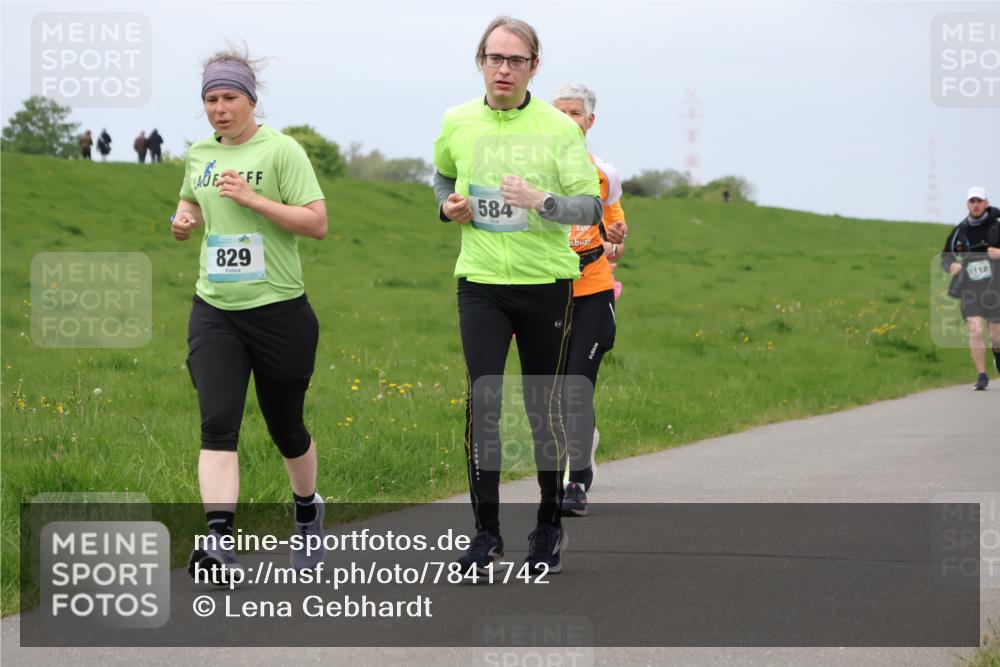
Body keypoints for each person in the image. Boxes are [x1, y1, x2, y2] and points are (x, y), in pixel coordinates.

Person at [433, 16, 602, 575]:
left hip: (545, 284)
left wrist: (541, 201)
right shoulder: (457, 121)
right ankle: (486, 536)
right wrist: (447, 205)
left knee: (540, 408)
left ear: (534, 67)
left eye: (516, 60)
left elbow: (590, 207)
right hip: (480, 283)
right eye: (494, 58)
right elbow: (442, 177)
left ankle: (548, 526)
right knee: (484, 402)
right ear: (480, 62)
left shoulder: (558, 129)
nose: (503, 69)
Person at [172, 47, 329, 583]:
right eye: (211, 100)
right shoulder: (199, 154)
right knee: (218, 423)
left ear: (250, 100)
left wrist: (253, 200)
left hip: (280, 311)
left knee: (287, 427)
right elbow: (191, 199)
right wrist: (184, 218)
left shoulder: (282, 151)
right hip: (215, 308)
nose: (219, 109)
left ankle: (306, 509)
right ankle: (219, 544)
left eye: (229, 98)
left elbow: (316, 223)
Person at [552, 83, 629, 517]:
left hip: (594, 292)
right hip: (546, 293)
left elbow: (616, 239)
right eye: (558, 112)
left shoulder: (604, 173)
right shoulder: (534, 172)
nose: (566, 120)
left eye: (575, 113)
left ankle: (576, 481)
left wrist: (613, 238)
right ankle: (583, 441)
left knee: (576, 387)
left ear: (589, 121)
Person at [941, 186, 1000, 390]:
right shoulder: (959, 231)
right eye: (972, 201)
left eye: (979, 201)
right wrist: (951, 266)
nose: (975, 205)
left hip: (995, 289)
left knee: (996, 336)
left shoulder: (997, 227)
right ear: (967, 204)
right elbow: (945, 257)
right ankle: (982, 375)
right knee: (975, 330)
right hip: (970, 290)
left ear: (986, 203)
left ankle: (998, 354)